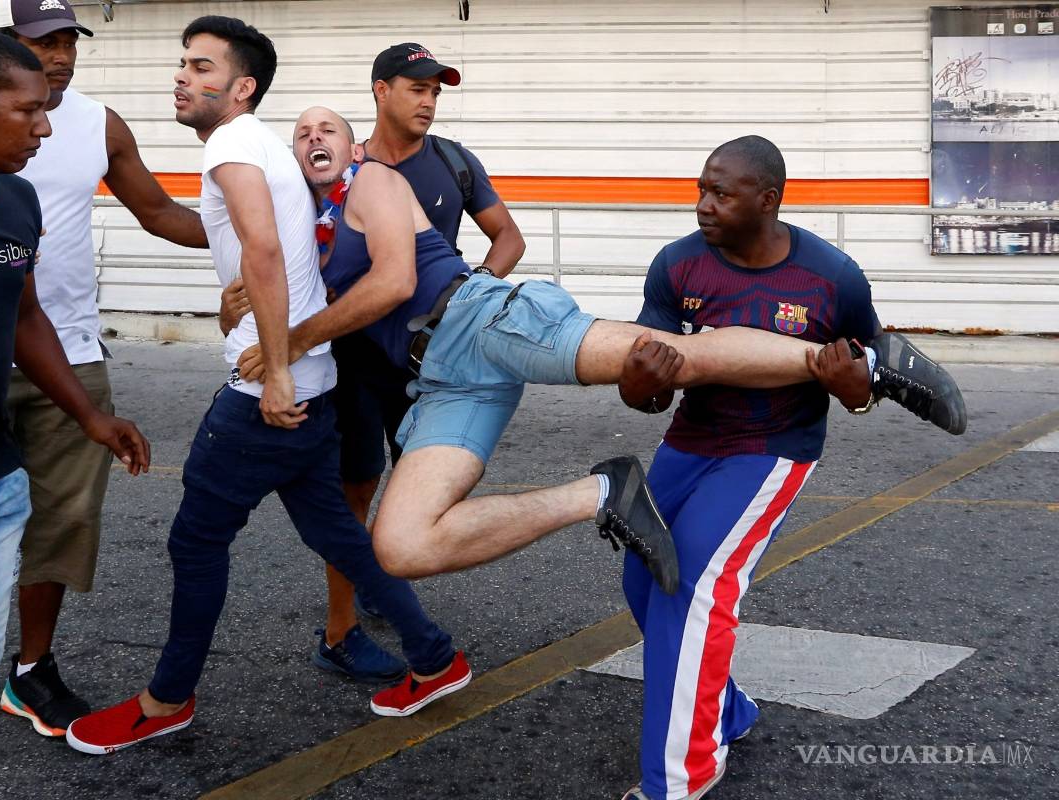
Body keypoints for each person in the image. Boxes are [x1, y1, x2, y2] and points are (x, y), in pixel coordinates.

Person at [237, 106, 964, 616]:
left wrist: (287, 346)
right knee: (400, 545)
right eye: (299, 134)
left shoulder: (371, 182)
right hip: (440, 379)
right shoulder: (312, 236)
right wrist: (253, 295)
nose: (312, 137)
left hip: (477, 319)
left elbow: (395, 281)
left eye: (325, 126)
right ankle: (601, 495)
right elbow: (222, 243)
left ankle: (876, 362)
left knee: (673, 354)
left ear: (353, 139)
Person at [64, 17, 465, 755]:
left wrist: (276, 371)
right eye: (182, 63)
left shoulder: (232, 143)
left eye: (200, 66)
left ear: (241, 87)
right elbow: (242, 244)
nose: (182, 76)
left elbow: (265, 251)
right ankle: (436, 657)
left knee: (195, 541)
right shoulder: (257, 149)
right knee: (335, 531)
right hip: (311, 383)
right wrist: (239, 291)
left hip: (269, 396)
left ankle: (167, 700)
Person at [0, 0, 212, 738]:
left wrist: (260, 233)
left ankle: (28, 671)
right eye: (39, 46)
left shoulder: (42, 174)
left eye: (66, 43)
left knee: (47, 532)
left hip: (33, 404)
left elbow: (142, 222)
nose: (58, 62)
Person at [611, 136, 963, 800]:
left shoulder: (832, 278)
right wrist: (639, 383)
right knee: (642, 576)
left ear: (768, 200)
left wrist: (848, 385)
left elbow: (864, 384)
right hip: (690, 441)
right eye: (700, 189)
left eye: (721, 193)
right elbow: (647, 392)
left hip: (772, 450)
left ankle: (681, 777)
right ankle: (726, 708)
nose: (704, 206)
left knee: (693, 587)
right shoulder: (678, 266)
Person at [219, 43, 526, 683]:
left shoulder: (453, 164)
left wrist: (469, 301)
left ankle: (383, 581)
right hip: (353, 361)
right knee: (352, 489)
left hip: (426, 364)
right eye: (417, 88)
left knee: (419, 490)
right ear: (382, 91)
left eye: (436, 91)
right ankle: (341, 629)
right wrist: (241, 303)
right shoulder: (326, 172)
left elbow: (509, 237)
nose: (428, 101)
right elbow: (272, 251)